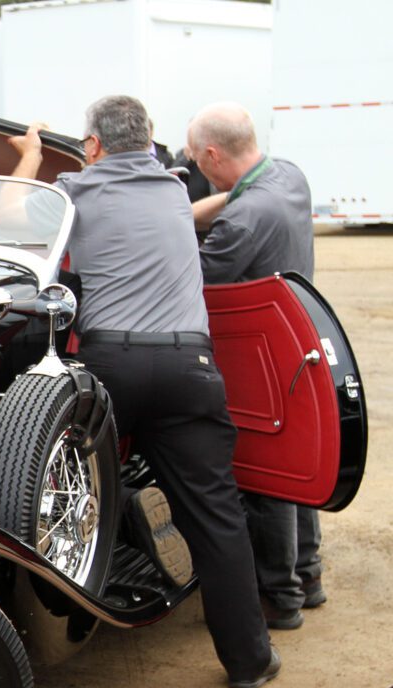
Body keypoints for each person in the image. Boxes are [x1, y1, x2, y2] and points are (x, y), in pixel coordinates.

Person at [7, 95, 279, 688]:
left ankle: (68, 616)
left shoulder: (74, 193)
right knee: (217, 516)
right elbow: (191, 210)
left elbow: (6, 217)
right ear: (150, 140)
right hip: (189, 364)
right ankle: (249, 662)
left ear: (94, 147)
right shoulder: (174, 188)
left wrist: (30, 155)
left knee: (77, 495)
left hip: (111, 366)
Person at [187, 101, 325, 629]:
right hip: (300, 338)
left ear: (214, 154)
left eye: (200, 162)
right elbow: (237, 198)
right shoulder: (289, 176)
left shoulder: (243, 221)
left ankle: (278, 597)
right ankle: (308, 576)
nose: (200, 169)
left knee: (265, 475)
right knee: (296, 463)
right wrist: (186, 210)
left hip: (261, 354)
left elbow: (195, 281)